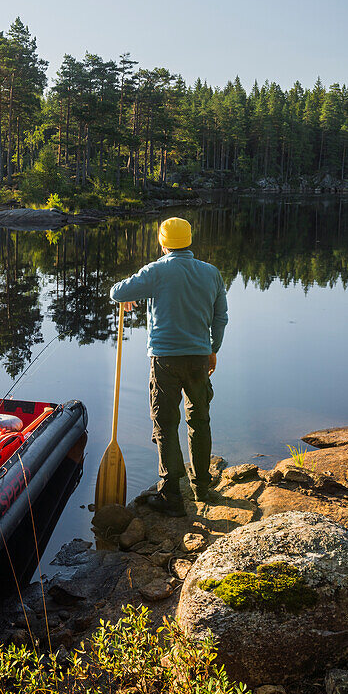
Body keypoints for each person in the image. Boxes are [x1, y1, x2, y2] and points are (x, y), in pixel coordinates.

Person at [109, 217, 228, 516]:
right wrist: (213, 349)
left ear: (163, 243)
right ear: (189, 241)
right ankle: (202, 487)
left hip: (164, 361)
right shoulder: (211, 273)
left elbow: (116, 292)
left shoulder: (156, 270)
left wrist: (131, 296)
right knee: (199, 420)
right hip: (200, 359)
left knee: (165, 424)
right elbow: (220, 317)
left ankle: (171, 496)